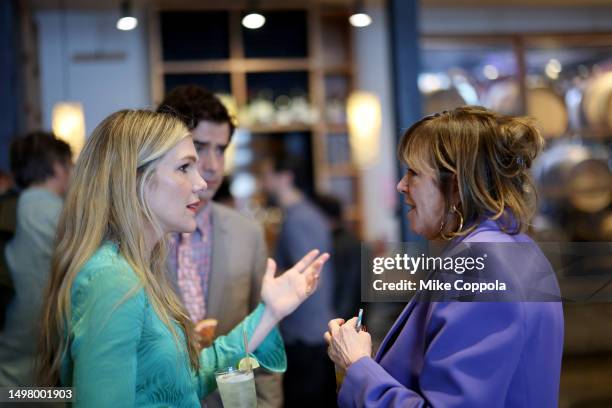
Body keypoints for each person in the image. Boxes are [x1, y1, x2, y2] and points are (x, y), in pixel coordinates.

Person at [37, 110, 329, 408]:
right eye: (184, 167)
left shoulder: (136, 269)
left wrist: (269, 312)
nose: (202, 182)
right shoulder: (112, 279)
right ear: (135, 179)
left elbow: (184, 381)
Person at [324, 106, 564, 407]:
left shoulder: (482, 267)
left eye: (413, 173)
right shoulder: (514, 245)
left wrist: (357, 364)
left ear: (455, 186)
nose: (401, 185)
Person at [158, 85, 283, 408]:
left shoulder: (247, 232)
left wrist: (267, 405)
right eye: (200, 147)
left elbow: (265, 330)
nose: (213, 165)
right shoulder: (140, 233)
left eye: (221, 149)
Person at [261, 157, 337, 407]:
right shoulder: (302, 214)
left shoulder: (298, 219)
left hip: (304, 333)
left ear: (285, 177)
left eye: (267, 176)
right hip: (311, 330)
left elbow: (308, 277)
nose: (264, 183)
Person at [0, 131, 72, 387]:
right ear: (57, 167)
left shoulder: (7, 210)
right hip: (46, 378)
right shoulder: (66, 217)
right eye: (69, 165)